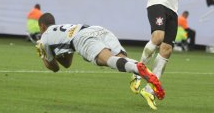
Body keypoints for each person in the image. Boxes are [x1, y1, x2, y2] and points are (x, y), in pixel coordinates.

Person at [35, 13, 165, 102]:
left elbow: (55, 68)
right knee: (121, 59)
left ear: (42, 26)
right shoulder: (61, 29)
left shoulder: (44, 39)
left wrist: (42, 55)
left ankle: (138, 70)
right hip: (96, 29)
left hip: (82, 38)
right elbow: (67, 63)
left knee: (108, 60)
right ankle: (140, 68)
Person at [128, 0, 191, 110]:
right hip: (156, 4)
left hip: (172, 8)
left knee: (167, 49)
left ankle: (150, 88)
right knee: (157, 37)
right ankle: (138, 73)